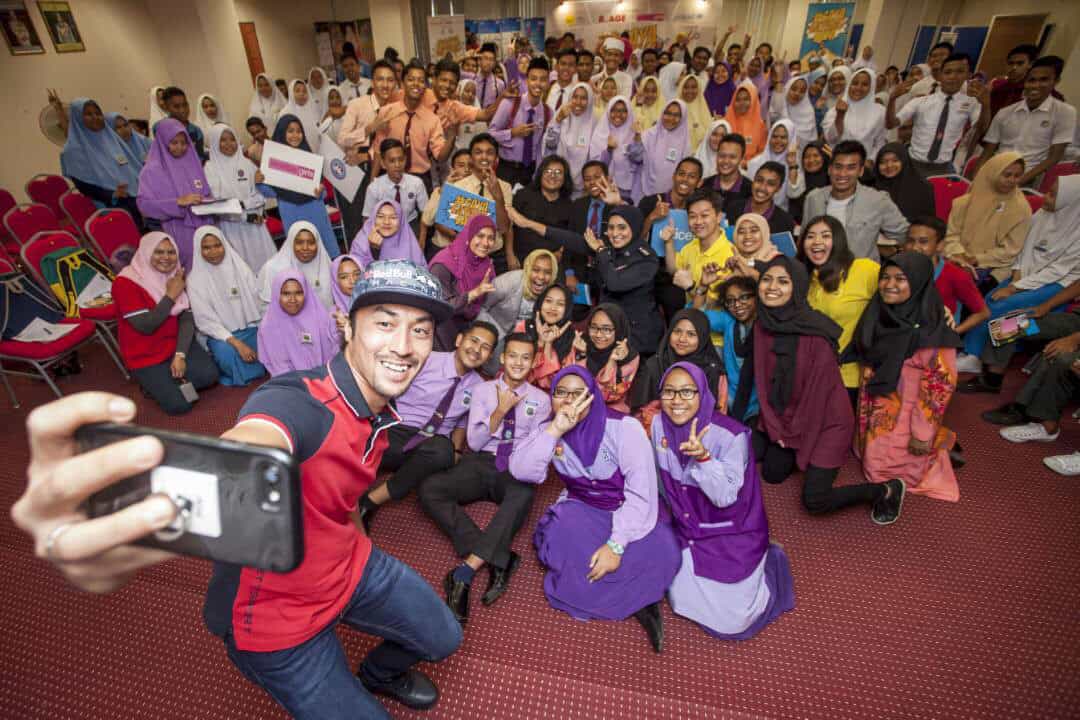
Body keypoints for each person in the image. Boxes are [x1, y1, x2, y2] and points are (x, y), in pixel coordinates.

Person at [512, 366, 680, 652]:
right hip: (583, 507)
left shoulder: (624, 428)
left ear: (593, 397)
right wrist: (555, 429)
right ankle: (631, 594)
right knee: (562, 539)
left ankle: (639, 598)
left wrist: (615, 546)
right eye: (561, 393)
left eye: (579, 394)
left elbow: (641, 494)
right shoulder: (548, 427)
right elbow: (521, 471)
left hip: (628, 508)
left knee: (663, 550)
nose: (568, 401)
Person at [753, 255, 904, 523]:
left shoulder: (815, 335)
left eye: (783, 281)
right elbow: (765, 384)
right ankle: (790, 448)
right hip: (790, 415)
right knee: (772, 473)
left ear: (797, 287)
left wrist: (787, 436)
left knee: (815, 501)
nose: (772, 287)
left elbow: (816, 401)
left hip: (827, 422)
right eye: (766, 279)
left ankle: (885, 490)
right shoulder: (764, 324)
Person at [654, 361, 795, 639]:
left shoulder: (732, 436)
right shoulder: (659, 423)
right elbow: (661, 477)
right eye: (668, 392)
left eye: (686, 392)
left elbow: (725, 497)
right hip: (688, 526)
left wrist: (704, 458)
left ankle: (770, 562)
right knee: (681, 600)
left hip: (729, 529)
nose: (676, 401)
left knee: (734, 621)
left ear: (703, 393)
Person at [420, 332, 550, 624]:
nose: (518, 363)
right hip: (480, 461)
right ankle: (499, 556)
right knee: (431, 489)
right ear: (503, 358)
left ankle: (464, 572)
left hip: (514, 465)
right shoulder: (484, 390)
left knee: (524, 494)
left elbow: (536, 447)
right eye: (512, 355)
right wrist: (501, 410)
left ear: (534, 362)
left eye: (525, 357)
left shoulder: (542, 401)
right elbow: (476, 442)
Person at [358, 317, 499, 530]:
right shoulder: (426, 359)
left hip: (429, 446)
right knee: (357, 445)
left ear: (489, 355)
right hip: (396, 430)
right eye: (474, 341)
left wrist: (458, 450)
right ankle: (350, 501)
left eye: (485, 347)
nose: (477, 350)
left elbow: (461, 420)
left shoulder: (480, 387)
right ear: (459, 340)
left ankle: (370, 502)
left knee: (443, 450)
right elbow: (384, 384)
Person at [850, 252, 963, 502]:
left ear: (919, 281)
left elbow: (938, 388)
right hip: (877, 405)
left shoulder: (933, 330)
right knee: (870, 461)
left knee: (883, 475)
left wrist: (922, 435)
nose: (890, 285)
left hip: (908, 413)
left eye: (900, 278)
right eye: (885, 277)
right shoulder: (879, 313)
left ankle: (934, 450)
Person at [957, 176, 1080, 373]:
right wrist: (1016, 278)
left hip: (1059, 296)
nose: (1045, 197)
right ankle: (985, 368)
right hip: (1032, 280)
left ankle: (978, 359)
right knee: (995, 303)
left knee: (1007, 314)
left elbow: (1060, 273)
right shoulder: (1044, 214)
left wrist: (1023, 291)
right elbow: (1024, 248)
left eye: (1052, 194)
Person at [111, 232, 219, 414]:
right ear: (145, 252)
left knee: (209, 376)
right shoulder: (125, 283)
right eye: (158, 252)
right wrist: (170, 296)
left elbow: (186, 318)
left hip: (173, 344)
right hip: (145, 353)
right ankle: (154, 384)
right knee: (179, 406)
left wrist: (180, 355)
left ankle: (169, 380)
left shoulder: (175, 274)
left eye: (171, 252)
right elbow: (146, 326)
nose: (166, 258)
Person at [799, 214, 879, 398]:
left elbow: (897, 291)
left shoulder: (863, 269)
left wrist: (940, 309)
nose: (816, 241)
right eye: (810, 236)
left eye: (825, 236)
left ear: (838, 241)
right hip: (814, 377)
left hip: (853, 377)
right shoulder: (805, 280)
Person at [800, 141, 909, 261]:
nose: (842, 174)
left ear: (861, 171)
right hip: (819, 274)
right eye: (838, 167)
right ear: (829, 169)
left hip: (862, 276)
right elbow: (804, 239)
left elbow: (905, 235)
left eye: (851, 168)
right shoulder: (814, 198)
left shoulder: (877, 200)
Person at [579, 205, 663, 357]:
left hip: (639, 342)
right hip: (609, 334)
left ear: (634, 227)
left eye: (622, 228)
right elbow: (573, 240)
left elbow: (614, 283)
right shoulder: (611, 251)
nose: (615, 233)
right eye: (611, 228)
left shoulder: (646, 258)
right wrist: (529, 224)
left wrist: (601, 252)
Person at [979, 56, 1075, 188]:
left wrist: (1017, 182)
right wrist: (976, 179)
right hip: (995, 173)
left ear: (1056, 81)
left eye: (1044, 80)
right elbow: (987, 151)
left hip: (1029, 179)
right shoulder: (1006, 112)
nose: (1036, 85)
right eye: (1032, 80)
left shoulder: (1064, 112)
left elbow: (1054, 157)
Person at [187, 226, 266, 386]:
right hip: (222, 337)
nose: (214, 251)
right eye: (207, 248)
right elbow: (205, 322)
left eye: (217, 245)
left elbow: (258, 302)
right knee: (228, 355)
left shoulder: (240, 267)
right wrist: (236, 343)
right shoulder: (194, 279)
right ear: (198, 249)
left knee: (271, 344)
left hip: (251, 328)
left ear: (224, 244)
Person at [887, 53, 988, 177]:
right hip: (914, 162)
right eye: (948, 72)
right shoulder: (921, 101)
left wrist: (986, 106)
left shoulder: (970, 103)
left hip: (943, 167)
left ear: (968, 75)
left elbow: (981, 129)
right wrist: (892, 99)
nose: (953, 77)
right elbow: (891, 124)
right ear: (940, 75)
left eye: (960, 72)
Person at [942, 151, 1031, 289]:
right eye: (1007, 175)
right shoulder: (965, 202)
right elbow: (951, 235)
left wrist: (977, 259)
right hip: (956, 256)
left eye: (1017, 176)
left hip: (993, 266)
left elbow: (1010, 250)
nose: (1012, 180)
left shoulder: (1021, 209)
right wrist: (960, 256)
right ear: (993, 173)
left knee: (964, 286)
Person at [420, 133, 512, 266]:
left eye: (490, 152)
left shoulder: (505, 187)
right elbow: (436, 221)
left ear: (496, 159)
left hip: (490, 254)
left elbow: (503, 228)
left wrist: (498, 196)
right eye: (478, 152)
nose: (484, 157)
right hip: (456, 251)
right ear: (471, 158)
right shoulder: (457, 184)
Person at [136, 118, 213, 271]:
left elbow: (205, 191)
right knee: (191, 271)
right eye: (174, 142)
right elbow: (144, 205)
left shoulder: (192, 161)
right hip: (179, 230)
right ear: (163, 142)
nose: (180, 147)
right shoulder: (151, 170)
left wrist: (212, 202)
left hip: (205, 224)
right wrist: (177, 202)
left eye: (184, 143)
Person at [259, 115, 339, 259]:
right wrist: (259, 181)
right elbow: (269, 192)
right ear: (281, 132)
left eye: (298, 131)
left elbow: (323, 192)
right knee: (302, 256)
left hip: (316, 211)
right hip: (291, 213)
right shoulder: (273, 160)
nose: (295, 135)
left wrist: (321, 191)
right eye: (290, 131)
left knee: (326, 256)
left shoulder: (309, 156)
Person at [202, 124, 275, 273]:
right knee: (242, 272)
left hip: (256, 224)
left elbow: (260, 195)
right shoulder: (209, 169)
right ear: (214, 142)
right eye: (223, 140)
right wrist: (244, 215)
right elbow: (218, 205)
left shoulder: (247, 164)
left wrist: (246, 207)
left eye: (232, 139)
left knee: (267, 270)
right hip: (231, 230)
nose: (229, 144)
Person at [60, 98, 144, 225]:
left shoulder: (111, 137)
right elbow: (82, 185)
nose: (95, 117)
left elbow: (131, 165)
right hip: (111, 203)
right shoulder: (73, 149)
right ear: (77, 118)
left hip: (135, 194)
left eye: (98, 113)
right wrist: (112, 194)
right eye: (88, 114)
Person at [903, 216, 989, 337]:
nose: (914, 247)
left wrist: (953, 333)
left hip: (938, 344)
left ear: (940, 245)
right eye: (910, 241)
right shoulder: (898, 270)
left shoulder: (956, 275)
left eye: (923, 242)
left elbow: (983, 313)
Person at [629, 307, 723, 415]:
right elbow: (639, 410)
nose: (682, 339)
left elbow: (715, 414)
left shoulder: (712, 369)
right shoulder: (654, 365)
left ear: (702, 338)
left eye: (691, 334)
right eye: (677, 331)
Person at [371, 61, 448, 189]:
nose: (416, 84)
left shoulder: (432, 119)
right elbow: (378, 149)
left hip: (421, 178)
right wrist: (372, 181)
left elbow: (440, 155)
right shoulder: (387, 112)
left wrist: (450, 137)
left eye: (421, 81)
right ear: (402, 83)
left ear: (425, 86)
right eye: (411, 79)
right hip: (390, 177)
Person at [477, 248, 557, 367]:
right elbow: (480, 307)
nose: (541, 276)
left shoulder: (552, 291)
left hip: (528, 338)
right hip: (498, 332)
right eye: (536, 270)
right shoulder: (508, 282)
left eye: (547, 272)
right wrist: (491, 337)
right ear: (528, 268)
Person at [428, 214, 498, 350]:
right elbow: (440, 307)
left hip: (467, 329)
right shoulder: (444, 264)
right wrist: (474, 293)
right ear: (468, 235)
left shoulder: (486, 265)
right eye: (480, 236)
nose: (485, 243)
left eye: (491, 238)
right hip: (440, 330)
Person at [257, 269, 339, 376]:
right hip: (291, 385)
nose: (293, 299)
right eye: (286, 294)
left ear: (306, 293)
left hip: (325, 377)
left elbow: (333, 355)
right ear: (277, 294)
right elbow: (280, 369)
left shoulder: (321, 318)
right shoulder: (269, 327)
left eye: (299, 293)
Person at [488, 57, 552, 188]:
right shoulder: (510, 103)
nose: (538, 84)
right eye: (533, 79)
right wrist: (512, 132)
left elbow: (541, 146)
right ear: (527, 80)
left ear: (548, 82)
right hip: (507, 168)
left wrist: (538, 173)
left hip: (530, 171)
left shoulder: (548, 112)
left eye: (543, 80)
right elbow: (491, 134)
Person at [569, 303, 640, 412]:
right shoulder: (581, 345)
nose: (598, 334)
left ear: (619, 330)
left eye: (606, 329)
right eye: (594, 327)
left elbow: (608, 394)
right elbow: (570, 386)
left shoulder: (629, 356)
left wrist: (612, 362)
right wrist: (583, 355)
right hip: (578, 410)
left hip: (613, 414)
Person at [257, 221, 334, 311]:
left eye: (311, 242)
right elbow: (267, 308)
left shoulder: (326, 265)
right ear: (290, 243)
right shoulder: (273, 269)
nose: (305, 248)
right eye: (299, 242)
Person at [511, 155, 575, 262]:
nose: (553, 175)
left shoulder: (569, 205)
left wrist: (560, 253)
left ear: (565, 178)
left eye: (558, 172)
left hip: (551, 262)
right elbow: (509, 227)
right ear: (540, 174)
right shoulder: (523, 195)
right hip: (521, 258)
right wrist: (510, 255)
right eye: (548, 171)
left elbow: (571, 237)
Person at [362, 139, 428, 236]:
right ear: (383, 163)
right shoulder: (374, 188)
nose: (397, 165)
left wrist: (421, 242)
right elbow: (367, 218)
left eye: (401, 160)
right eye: (392, 161)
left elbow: (425, 214)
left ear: (405, 159)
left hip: (410, 223)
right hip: (385, 227)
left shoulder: (416, 183)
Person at [823, 68, 885, 163]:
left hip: (863, 167)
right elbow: (830, 138)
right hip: (836, 162)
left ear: (872, 87)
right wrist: (840, 116)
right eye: (855, 83)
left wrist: (871, 160)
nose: (858, 88)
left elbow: (880, 142)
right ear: (849, 85)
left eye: (864, 84)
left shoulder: (879, 112)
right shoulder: (835, 110)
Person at [545, 82, 597, 194]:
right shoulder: (562, 114)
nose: (578, 102)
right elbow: (550, 145)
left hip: (581, 188)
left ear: (590, 101)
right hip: (556, 182)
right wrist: (558, 120)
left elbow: (594, 156)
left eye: (583, 98)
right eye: (575, 97)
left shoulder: (594, 122)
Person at [589, 97, 644, 201]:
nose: (618, 114)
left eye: (623, 111)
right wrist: (609, 150)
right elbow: (596, 166)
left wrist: (637, 138)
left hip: (628, 192)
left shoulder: (635, 133)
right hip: (603, 189)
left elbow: (638, 159)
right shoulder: (600, 133)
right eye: (613, 110)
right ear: (608, 111)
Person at [746, 119, 804, 212]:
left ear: (791, 139)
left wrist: (792, 165)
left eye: (783, 137)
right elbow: (748, 193)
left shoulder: (796, 165)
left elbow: (793, 194)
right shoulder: (755, 163)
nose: (778, 141)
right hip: (754, 212)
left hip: (780, 215)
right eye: (775, 136)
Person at [724, 162, 796, 235]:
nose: (762, 187)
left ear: (778, 188)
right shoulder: (732, 209)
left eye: (771, 184)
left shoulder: (785, 221)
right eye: (759, 180)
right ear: (753, 180)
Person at [350, 199, 426, 268]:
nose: (386, 222)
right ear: (373, 219)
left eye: (393, 217)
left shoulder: (408, 240)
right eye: (380, 216)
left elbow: (422, 273)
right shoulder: (361, 242)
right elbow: (355, 275)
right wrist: (373, 251)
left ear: (401, 221)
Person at [871, 143, 936, 222]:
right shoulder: (871, 187)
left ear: (904, 161)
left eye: (895, 160)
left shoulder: (923, 188)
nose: (889, 165)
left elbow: (928, 222)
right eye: (883, 162)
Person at [640, 100, 691, 196]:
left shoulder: (685, 142)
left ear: (682, 118)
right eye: (668, 113)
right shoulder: (649, 135)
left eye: (676, 115)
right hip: (643, 191)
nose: (671, 118)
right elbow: (636, 158)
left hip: (672, 196)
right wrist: (637, 138)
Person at [157, 87, 208, 163]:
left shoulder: (196, 131)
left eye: (185, 105)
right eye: (176, 107)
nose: (182, 110)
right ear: (166, 107)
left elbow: (200, 158)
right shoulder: (160, 128)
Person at [703, 133, 751, 207]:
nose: (726, 161)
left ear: (741, 159)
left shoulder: (750, 190)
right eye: (722, 155)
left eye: (732, 157)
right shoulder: (705, 185)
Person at [724, 82, 768, 162]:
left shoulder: (761, 126)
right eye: (738, 100)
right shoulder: (725, 124)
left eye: (746, 99)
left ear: (753, 100)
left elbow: (763, 152)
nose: (742, 103)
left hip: (752, 169)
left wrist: (748, 163)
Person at [789, 141, 831, 224]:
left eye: (816, 156)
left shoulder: (834, 182)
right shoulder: (801, 183)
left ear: (824, 157)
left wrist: (837, 164)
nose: (811, 160)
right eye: (807, 157)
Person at [778, 75, 819, 147]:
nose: (797, 93)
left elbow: (812, 143)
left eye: (802, 91)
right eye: (794, 89)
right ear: (787, 88)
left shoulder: (809, 112)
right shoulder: (777, 108)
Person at [677, 74, 712, 150]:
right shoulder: (675, 109)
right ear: (681, 88)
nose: (690, 91)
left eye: (693, 87)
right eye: (686, 87)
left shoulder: (703, 108)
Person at [475, 43, 507, 108]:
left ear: (494, 63)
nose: (488, 62)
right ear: (479, 60)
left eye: (491, 59)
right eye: (486, 58)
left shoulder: (500, 84)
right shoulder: (472, 80)